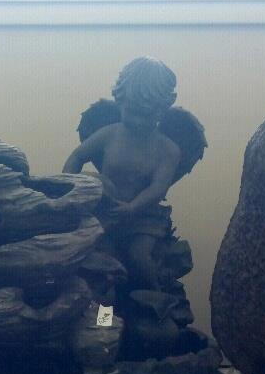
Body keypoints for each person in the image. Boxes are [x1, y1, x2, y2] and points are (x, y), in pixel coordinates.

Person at [63, 57, 181, 289]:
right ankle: (105, 310)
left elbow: (158, 188)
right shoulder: (110, 134)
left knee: (139, 257)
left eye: (146, 114)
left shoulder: (168, 149)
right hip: (106, 213)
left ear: (164, 107)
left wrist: (132, 207)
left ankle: (156, 298)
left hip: (143, 217)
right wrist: (69, 189)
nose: (137, 120)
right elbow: (76, 157)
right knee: (103, 260)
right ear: (119, 101)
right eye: (131, 111)